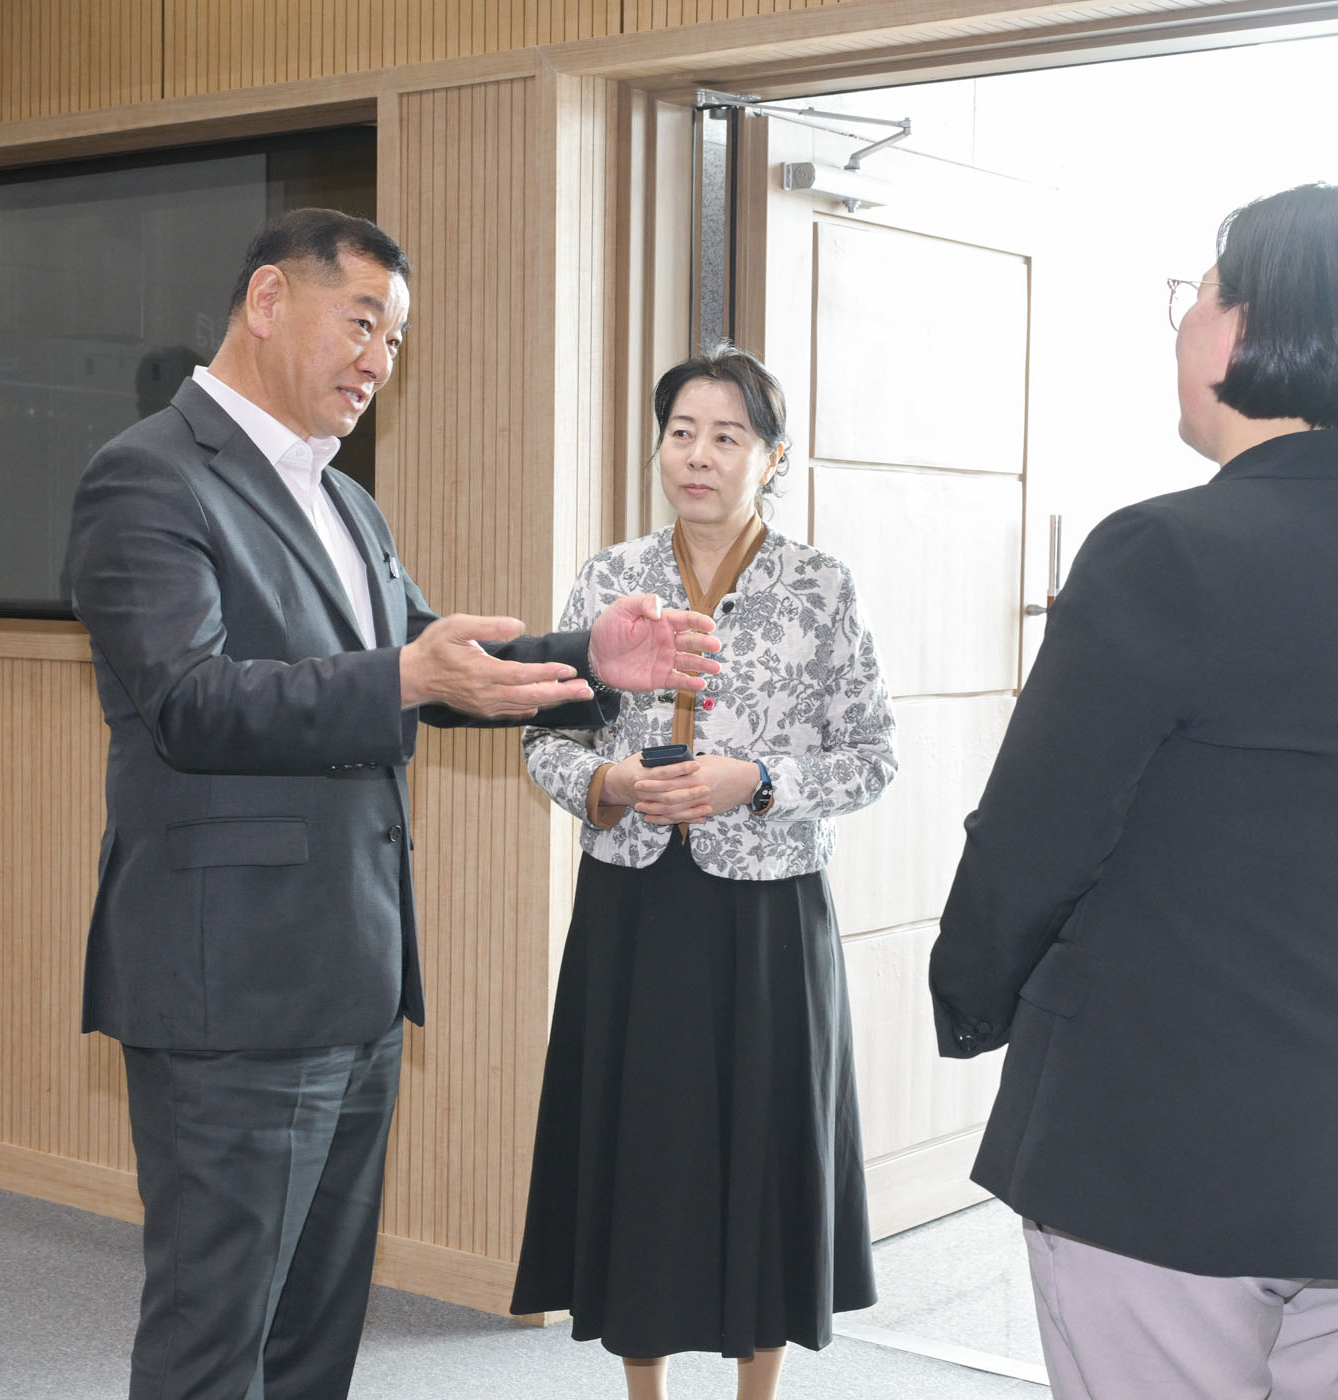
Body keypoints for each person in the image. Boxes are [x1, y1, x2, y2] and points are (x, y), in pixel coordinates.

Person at [64, 207, 722, 1400]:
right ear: (269, 300)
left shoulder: (345, 501)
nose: (379, 359)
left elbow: (426, 656)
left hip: (354, 976)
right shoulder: (147, 475)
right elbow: (191, 700)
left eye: (397, 339)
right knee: (214, 1333)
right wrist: (406, 676)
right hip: (231, 989)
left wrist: (588, 657)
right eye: (361, 322)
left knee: (314, 1335)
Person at [927, 182, 1338, 1400]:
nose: (1185, 318)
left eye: (1204, 291)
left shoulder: (1162, 549)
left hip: (1162, 1145)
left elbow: (1034, 835)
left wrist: (967, 993)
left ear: (1258, 329)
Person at [510, 346, 895, 1400]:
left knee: (761, 1159)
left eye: (728, 436)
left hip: (769, 915)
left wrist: (756, 780)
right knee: (644, 1158)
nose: (699, 454)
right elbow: (546, 738)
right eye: (682, 431)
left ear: (773, 458)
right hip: (634, 906)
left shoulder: (820, 585)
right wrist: (611, 783)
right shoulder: (609, 576)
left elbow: (872, 756)